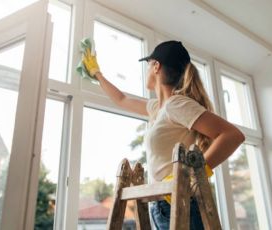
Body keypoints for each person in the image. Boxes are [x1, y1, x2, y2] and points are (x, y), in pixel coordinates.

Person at [83, 40, 245, 229]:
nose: (146, 70)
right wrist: (97, 74)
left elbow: (232, 135)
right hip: (162, 204)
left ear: (156, 66)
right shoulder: (157, 108)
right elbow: (122, 99)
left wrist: (192, 175)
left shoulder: (176, 105)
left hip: (181, 203)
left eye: (148, 65)